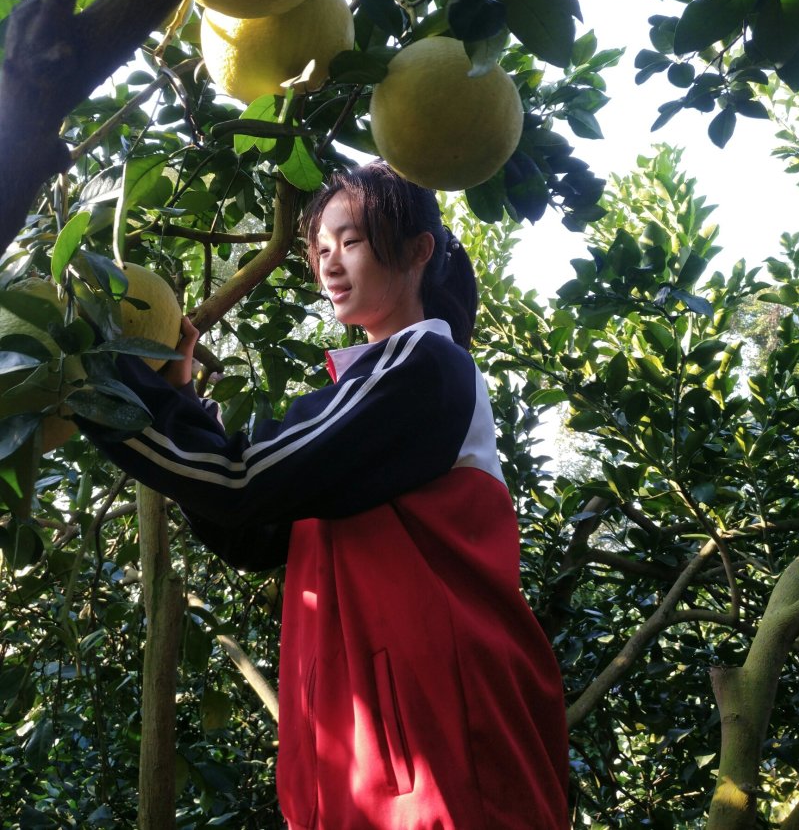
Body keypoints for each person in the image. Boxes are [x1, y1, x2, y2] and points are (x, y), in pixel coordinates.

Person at [83, 161, 569, 829]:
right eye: (318, 249)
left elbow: (242, 478)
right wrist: (178, 397)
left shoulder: (427, 367)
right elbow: (250, 531)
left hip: (441, 760)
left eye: (351, 242)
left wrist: (95, 370)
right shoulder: (365, 399)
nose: (328, 265)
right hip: (364, 770)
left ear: (418, 250)